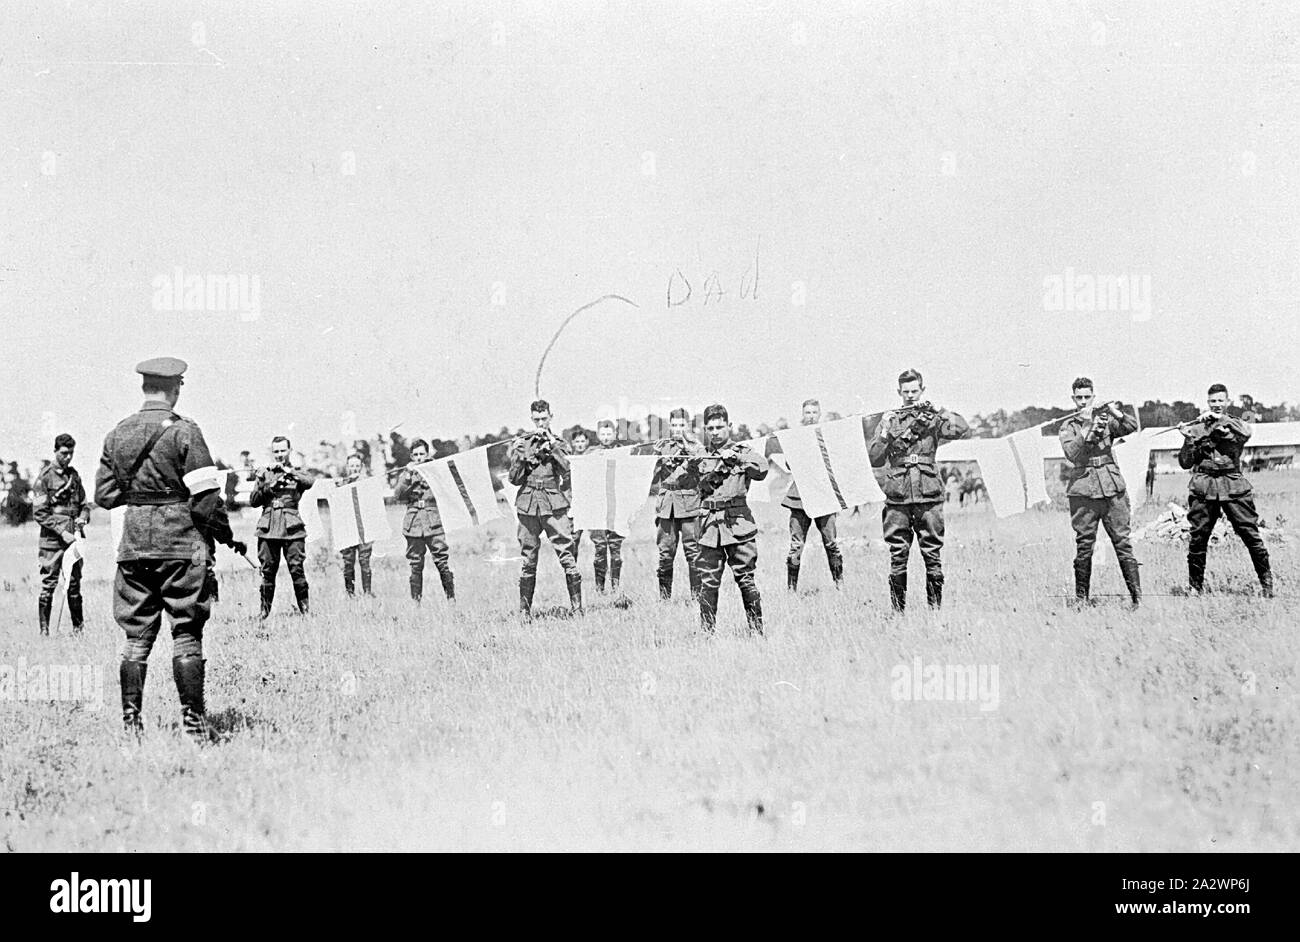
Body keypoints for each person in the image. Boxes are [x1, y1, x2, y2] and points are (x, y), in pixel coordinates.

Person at [94, 356, 233, 741]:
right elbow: (206, 495)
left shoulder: (117, 433)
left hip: (134, 545)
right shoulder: (186, 431)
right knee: (186, 632)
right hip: (179, 544)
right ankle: (193, 724)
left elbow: (104, 496)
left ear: (144, 388)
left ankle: (131, 725)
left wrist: (141, 495)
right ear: (175, 388)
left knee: (136, 638)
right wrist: (203, 535)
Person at [868, 369, 971, 611]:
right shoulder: (889, 420)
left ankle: (934, 612)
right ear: (899, 393)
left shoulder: (932, 419)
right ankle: (897, 613)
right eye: (906, 392)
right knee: (898, 556)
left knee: (932, 555)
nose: (911, 396)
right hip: (898, 496)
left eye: (915, 391)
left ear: (922, 391)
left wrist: (941, 411)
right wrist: (883, 430)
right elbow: (875, 457)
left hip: (928, 495)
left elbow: (962, 428)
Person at [1179, 383, 1273, 597]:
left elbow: (1247, 432)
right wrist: (1187, 438)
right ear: (1207, 402)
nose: (1217, 405)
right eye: (1213, 401)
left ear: (1228, 402)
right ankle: (1195, 588)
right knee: (1198, 538)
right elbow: (1185, 462)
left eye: (1221, 401)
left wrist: (1218, 419)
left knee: (1250, 534)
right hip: (1204, 486)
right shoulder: (1197, 428)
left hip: (1233, 486)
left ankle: (1267, 586)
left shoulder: (1236, 423)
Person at [1057, 377, 1142, 607]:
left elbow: (1131, 427)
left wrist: (1115, 411)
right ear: (1073, 399)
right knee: (1085, 545)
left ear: (1093, 397)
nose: (1083, 401)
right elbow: (1072, 454)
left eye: (1087, 397)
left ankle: (1137, 600)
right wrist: (1085, 425)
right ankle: (1082, 600)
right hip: (1083, 490)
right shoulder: (1068, 426)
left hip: (1112, 487)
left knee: (1122, 542)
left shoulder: (1105, 419)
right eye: (1079, 397)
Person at [695, 403, 767, 633]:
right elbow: (692, 482)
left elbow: (762, 469)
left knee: (746, 579)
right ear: (705, 430)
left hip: (738, 524)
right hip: (709, 528)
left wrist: (735, 459)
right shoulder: (700, 457)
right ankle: (707, 634)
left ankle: (756, 633)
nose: (715, 432)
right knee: (708, 583)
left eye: (719, 427)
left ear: (729, 426)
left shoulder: (743, 451)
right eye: (710, 428)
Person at [507, 399, 581, 618]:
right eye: (536, 419)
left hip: (553, 503)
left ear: (551, 417)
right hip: (528, 503)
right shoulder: (523, 443)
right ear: (531, 418)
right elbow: (514, 479)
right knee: (528, 558)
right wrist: (519, 456)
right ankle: (524, 612)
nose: (540, 422)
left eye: (544, 418)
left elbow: (568, 469)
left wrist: (553, 446)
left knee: (567, 553)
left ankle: (577, 609)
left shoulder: (559, 443)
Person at [783, 398, 844, 591]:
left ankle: (839, 585)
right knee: (796, 545)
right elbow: (788, 464)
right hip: (799, 496)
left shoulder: (826, 436)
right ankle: (791, 590)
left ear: (819, 414)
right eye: (807, 413)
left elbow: (835, 461)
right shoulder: (795, 437)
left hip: (823, 495)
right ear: (803, 415)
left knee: (831, 543)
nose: (810, 416)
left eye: (814, 413)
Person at [32, 433, 90, 634]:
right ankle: (44, 632)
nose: (68, 457)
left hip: (73, 538)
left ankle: (78, 630)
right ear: (55, 451)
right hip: (52, 540)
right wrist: (61, 532)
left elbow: (84, 505)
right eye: (64, 453)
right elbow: (39, 512)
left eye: (71, 453)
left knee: (74, 584)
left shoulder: (74, 476)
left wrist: (83, 517)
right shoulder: (44, 478)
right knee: (49, 584)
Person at [250, 435, 314, 617]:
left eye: (282, 451)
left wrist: (287, 471)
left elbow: (310, 482)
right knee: (267, 571)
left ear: (289, 451)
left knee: (296, 568)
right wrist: (267, 484)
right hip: (268, 527)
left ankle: (305, 611)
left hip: (292, 528)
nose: (279, 454)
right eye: (276, 451)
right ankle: (264, 612)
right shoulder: (265, 473)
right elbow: (253, 501)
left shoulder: (297, 472)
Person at [650, 407, 704, 600]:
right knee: (665, 553)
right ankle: (665, 599)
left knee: (693, 553)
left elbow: (702, 465)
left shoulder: (696, 446)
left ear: (687, 425)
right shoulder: (663, 446)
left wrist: (686, 447)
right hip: (666, 507)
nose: (677, 429)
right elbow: (652, 475)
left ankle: (697, 599)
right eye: (674, 425)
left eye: (681, 425)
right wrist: (655, 457)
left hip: (689, 505)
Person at [393, 439, 455, 602]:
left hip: (433, 521)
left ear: (427, 454)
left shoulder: (436, 470)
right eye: (415, 455)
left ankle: (451, 599)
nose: (419, 457)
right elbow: (398, 495)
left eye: (422, 454)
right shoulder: (407, 472)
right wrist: (408, 474)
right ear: (411, 456)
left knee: (441, 560)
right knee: (415, 564)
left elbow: (447, 489)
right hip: (414, 523)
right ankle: (416, 603)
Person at [588, 419, 626, 593]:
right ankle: (599, 588)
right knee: (600, 547)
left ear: (615, 434)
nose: (606, 437)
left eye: (609, 434)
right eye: (602, 434)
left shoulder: (622, 452)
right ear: (597, 435)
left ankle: (616, 586)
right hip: (597, 505)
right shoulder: (591, 453)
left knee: (616, 548)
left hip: (616, 504)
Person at [338, 453, 375, 597]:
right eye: (351, 466)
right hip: (347, 529)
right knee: (348, 563)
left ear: (361, 467)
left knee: (365, 561)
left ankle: (367, 592)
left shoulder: (367, 483)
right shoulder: (341, 484)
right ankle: (350, 594)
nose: (354, 469)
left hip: (363, 528)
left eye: (357, 466)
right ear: (347, 467)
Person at [569, 429, 593, 569]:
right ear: (572, 443)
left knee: (599, 540)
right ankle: (573, 571)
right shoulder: (569, 461)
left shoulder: (592, 458)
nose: (580, 444)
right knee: (574, 539)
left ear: (587, 442)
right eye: (577, 441)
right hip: (576, 504)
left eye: (582, 441)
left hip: (591, 503)